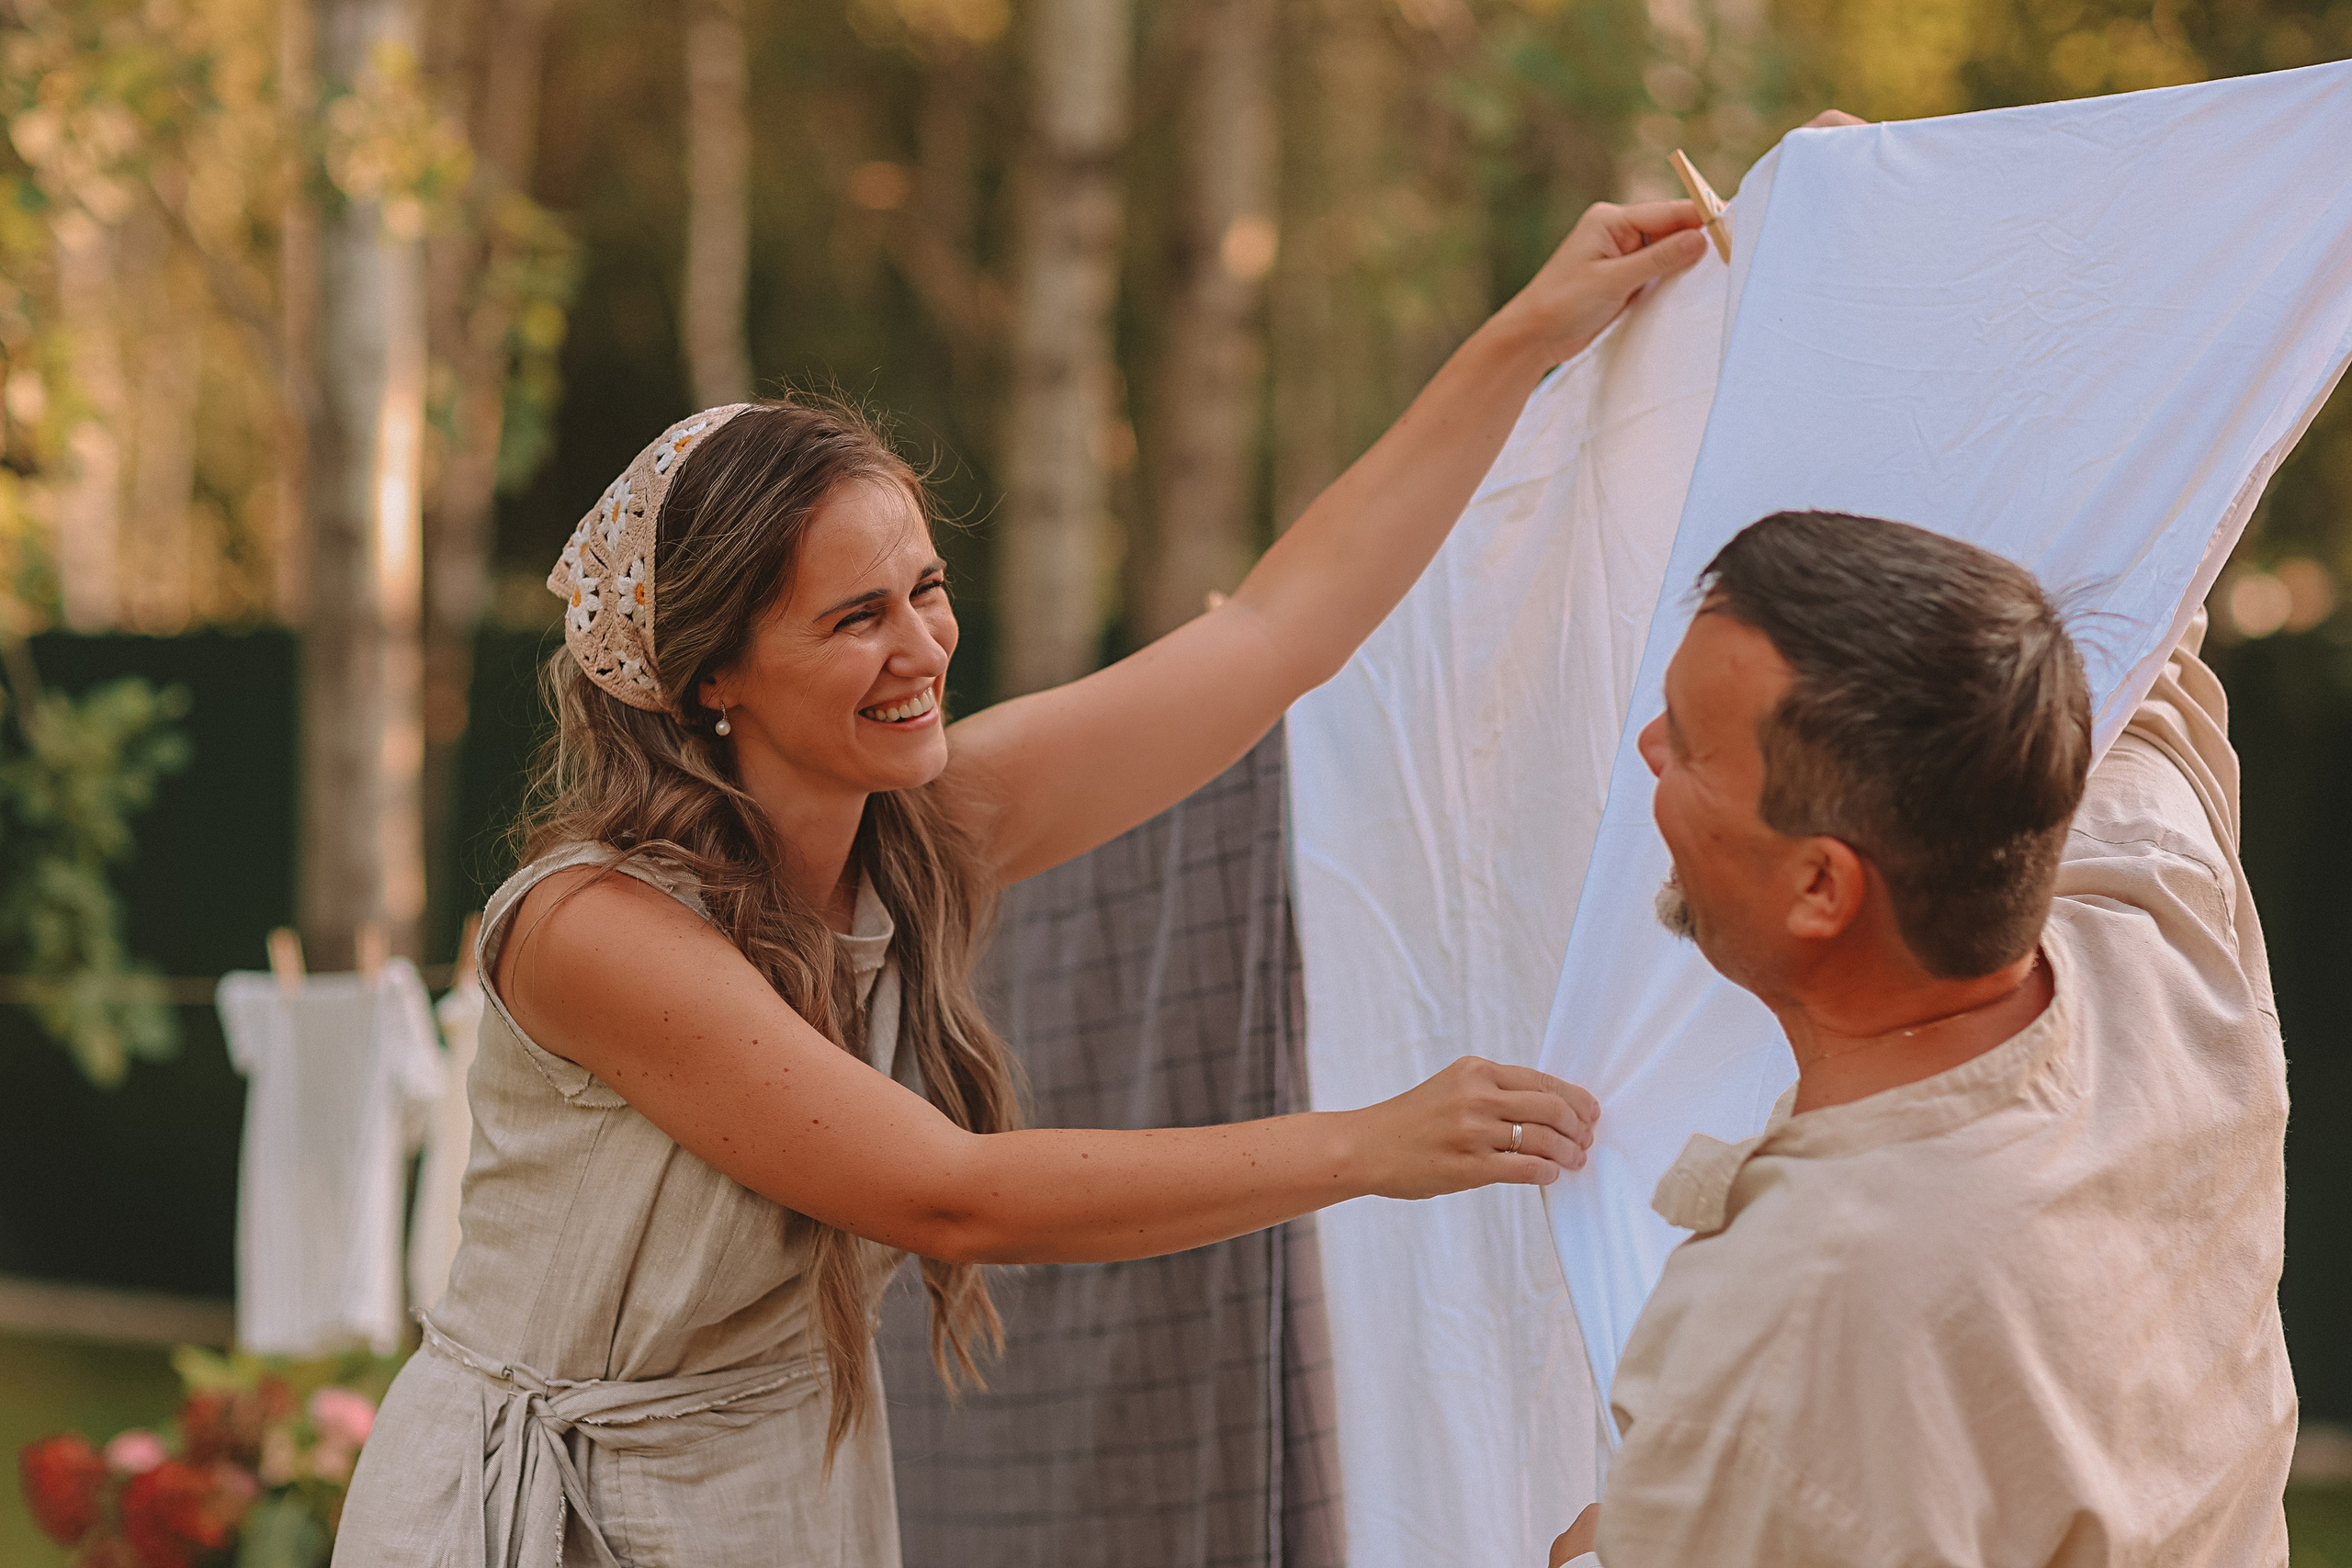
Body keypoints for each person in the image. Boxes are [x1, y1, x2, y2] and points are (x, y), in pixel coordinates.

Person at [334, 197, 1713, 1567]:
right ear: (713, 674)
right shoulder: (594, 929)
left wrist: (1532, 329)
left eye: (925, 589)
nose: (922, 644)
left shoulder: (920, 825)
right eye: (854, 617)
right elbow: (950, 1192)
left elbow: (1277, 636)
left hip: (771, 1496)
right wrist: (1367, 1144)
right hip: (537, 1520)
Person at [1554, 512, 2291, 1565]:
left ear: (1821, 885)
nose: (1648, 749)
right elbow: (2151, 553)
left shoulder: (1791, 1326)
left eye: (1691, 745)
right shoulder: (2163, 946)